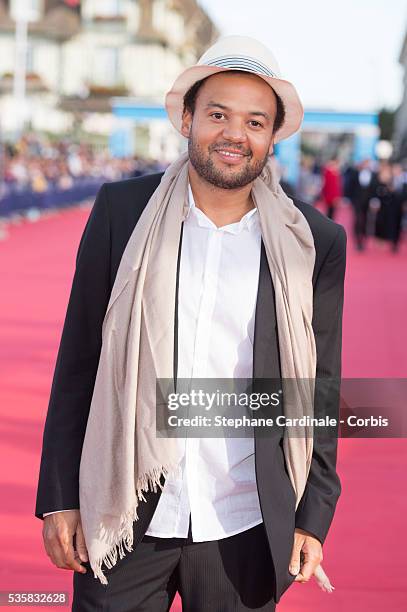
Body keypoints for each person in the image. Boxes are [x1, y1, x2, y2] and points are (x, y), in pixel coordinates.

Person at [35, 36, 346, 611]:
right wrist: (59, 495)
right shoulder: (122, 213)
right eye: (218, 114)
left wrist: (313, 513)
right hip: (127, 510)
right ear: (187, 119)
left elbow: (318, 386)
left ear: (272, 136)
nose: (234, 134)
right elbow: (79, 357)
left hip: (245, 522)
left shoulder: (314, 242)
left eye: (255, 121)